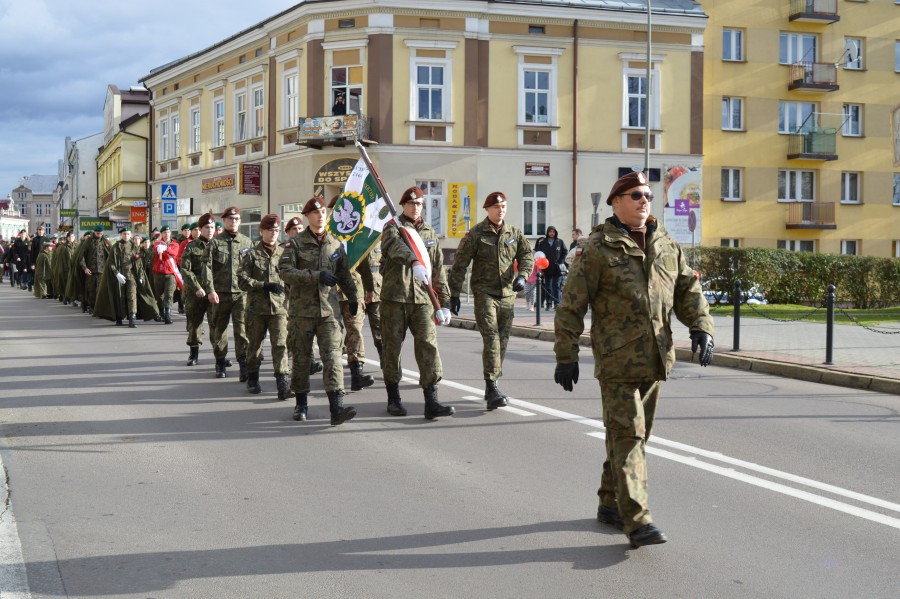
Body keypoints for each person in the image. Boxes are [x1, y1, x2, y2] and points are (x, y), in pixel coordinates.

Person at [552, 170, 715, 549]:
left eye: (648, 195)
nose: (645, 201)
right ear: (617, 202)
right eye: (636, 195)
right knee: (629, 438)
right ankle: (638, 520)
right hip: (617, 363)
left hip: (656, 361)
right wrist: (566, 355)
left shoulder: (667, 245)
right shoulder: (595, 250)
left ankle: (610, 503)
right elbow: (570, 307)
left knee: (634, 438)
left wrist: (702, 327)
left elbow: (689, 292)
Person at [449, 191, 534, 410]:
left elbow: (527, 255)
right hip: (484, 293)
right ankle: (492, 386)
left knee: (503, 340)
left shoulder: (513, 232)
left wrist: (523, 276)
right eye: (496, 207)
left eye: (504, 206)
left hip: (507, 294)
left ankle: (491, 384)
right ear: (487, 209)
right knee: (492, 338)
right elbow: (460, 264)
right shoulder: (476, 234)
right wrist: (454, 294)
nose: (501, 210)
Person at [278, 198, 358, 425]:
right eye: (315, 212)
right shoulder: (295, 244)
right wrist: (315, 276)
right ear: (307, 216)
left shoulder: (335, 243)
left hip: (329, 312)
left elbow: (344, 274)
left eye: (323, 211)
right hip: (302, 312)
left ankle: (337, 408)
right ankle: (301, 404)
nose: (320, 215)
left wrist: (352, 297)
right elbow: (285, 272)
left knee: (333, 358)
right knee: (302, 359)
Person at [379, 186, 454, 420]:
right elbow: (393, 247)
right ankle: (393, 399)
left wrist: (444, 302)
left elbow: (438, 269)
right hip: (395, 298)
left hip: (423, 300)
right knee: (392, 349)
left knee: (428, 347)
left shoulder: (430, 233)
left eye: (419, 204)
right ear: (403, 205)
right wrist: (413, 261)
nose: (415, 207)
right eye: (411, 204)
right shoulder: (393, 227)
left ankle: (431, 401)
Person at [238, 213, 291, 399]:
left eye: (276, 230)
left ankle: (283, 383)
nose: (273, 233)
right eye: (270, 230)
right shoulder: (251, 253)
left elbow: (291, 277)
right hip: (256, 309)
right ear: (261, 231)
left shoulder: (285, 252)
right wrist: (263, 285)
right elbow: (242, 280)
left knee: (280, 345)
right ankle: (252, 377)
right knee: (255, 345)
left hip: (279, 308)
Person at [328, 195, 375, 391]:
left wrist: (370, 289)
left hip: (352, 293)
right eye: (334, 210)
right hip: (330, 294)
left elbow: (364, 265)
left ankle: (357, 374)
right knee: (333, 335)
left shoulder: (354, 236)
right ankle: (334, 376)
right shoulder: (325, 238)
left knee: (355, 331)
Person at [204, 206, 253, 380]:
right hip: (220, 294)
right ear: (224, 221)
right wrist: (210, 290)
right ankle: (220, 361)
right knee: (220, 329)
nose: (234, 222)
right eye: (230, 219)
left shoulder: (247, 242)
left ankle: (243, 365)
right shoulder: (215, 243)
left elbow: (253, 269)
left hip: (241, 293)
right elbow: (207, 268)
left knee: (242, 331)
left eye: (237, 219)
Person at [282, 217, 324, 376]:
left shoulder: (309, 248)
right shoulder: (283, 249)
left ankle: (310, 361)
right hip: (283, 297)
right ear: (287, 232)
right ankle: (285, 365)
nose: (298, 231)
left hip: (302, 298)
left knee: (303, 332)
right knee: (287, 333)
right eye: (294, 229)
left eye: (300, 228)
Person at [94, 226, 158, 327]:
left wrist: (140, 276)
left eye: (128, 234)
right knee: (119, 297)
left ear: (130, 235)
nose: (126, 235)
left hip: (131, 276)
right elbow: (111, 262)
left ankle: (132, 318)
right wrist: (116, 273)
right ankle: (119, 317)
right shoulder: (116, 246)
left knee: (132, 297)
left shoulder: (134, 247)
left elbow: (139, 263)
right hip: (119, 277)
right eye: (124, 234)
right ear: (121, 235)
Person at [181, 213, 216, 366]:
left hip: (214, 291)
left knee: (216, 324)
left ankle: (219, 356)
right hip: (196, 292)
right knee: (195, 323)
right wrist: (197, 287)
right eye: (207, 227)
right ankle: (193, 354)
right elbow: (185, 269)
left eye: (212, 227)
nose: (210, 230)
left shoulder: (218, 245)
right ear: (200, 229)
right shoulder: (192, 246)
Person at [151, 226, 180, 325]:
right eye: (164, 232)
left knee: (169, 293)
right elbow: (155, 250)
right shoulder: (157, 244)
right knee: (159, 295)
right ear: (161, 234)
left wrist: (166, 249)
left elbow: (174, 253)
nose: (166, 234)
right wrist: (159, 247)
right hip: (158, 273)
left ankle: (167, 313)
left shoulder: (175, 244)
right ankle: (161, 312)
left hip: (170, 273)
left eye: (168, 232)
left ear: (170, 233)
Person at [534, 225, 566, 310]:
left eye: (553, 232)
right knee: (548, 286)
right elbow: (539, 254)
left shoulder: (560, 242)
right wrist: (541, 267)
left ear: (555, 233)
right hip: (547, 267)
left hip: (557, 268)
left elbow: (564, 252)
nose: (552, 233)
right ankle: (548, 304)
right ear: (547, 233)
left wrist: (561, 261)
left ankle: (557, 303)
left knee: (556, 285)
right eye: (550, 232)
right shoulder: (543, 243)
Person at [80, 225, 110, 313]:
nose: (99, 235)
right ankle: (91, 306)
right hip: (91, 271)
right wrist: (85, 268)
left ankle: (99, 308)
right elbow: (81, 256)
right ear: (94, 232)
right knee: (91, 290)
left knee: (100, 290)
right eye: (97, 233)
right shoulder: (88, 241)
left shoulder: (105, 242)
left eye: (101, 233)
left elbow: (111, 255)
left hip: (102, 270)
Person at [28, 224, 46, 292]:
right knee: (37, 276)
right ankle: (35, 288)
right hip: (37, 260)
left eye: (42, 230)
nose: (40, 231)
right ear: (37, 231)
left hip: (45, 260)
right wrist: (32, 263)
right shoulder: (35, 240)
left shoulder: (46, 239)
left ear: (44, 231)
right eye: (39, 230)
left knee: (44, 275)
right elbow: (32, 252)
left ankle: (44, 290)